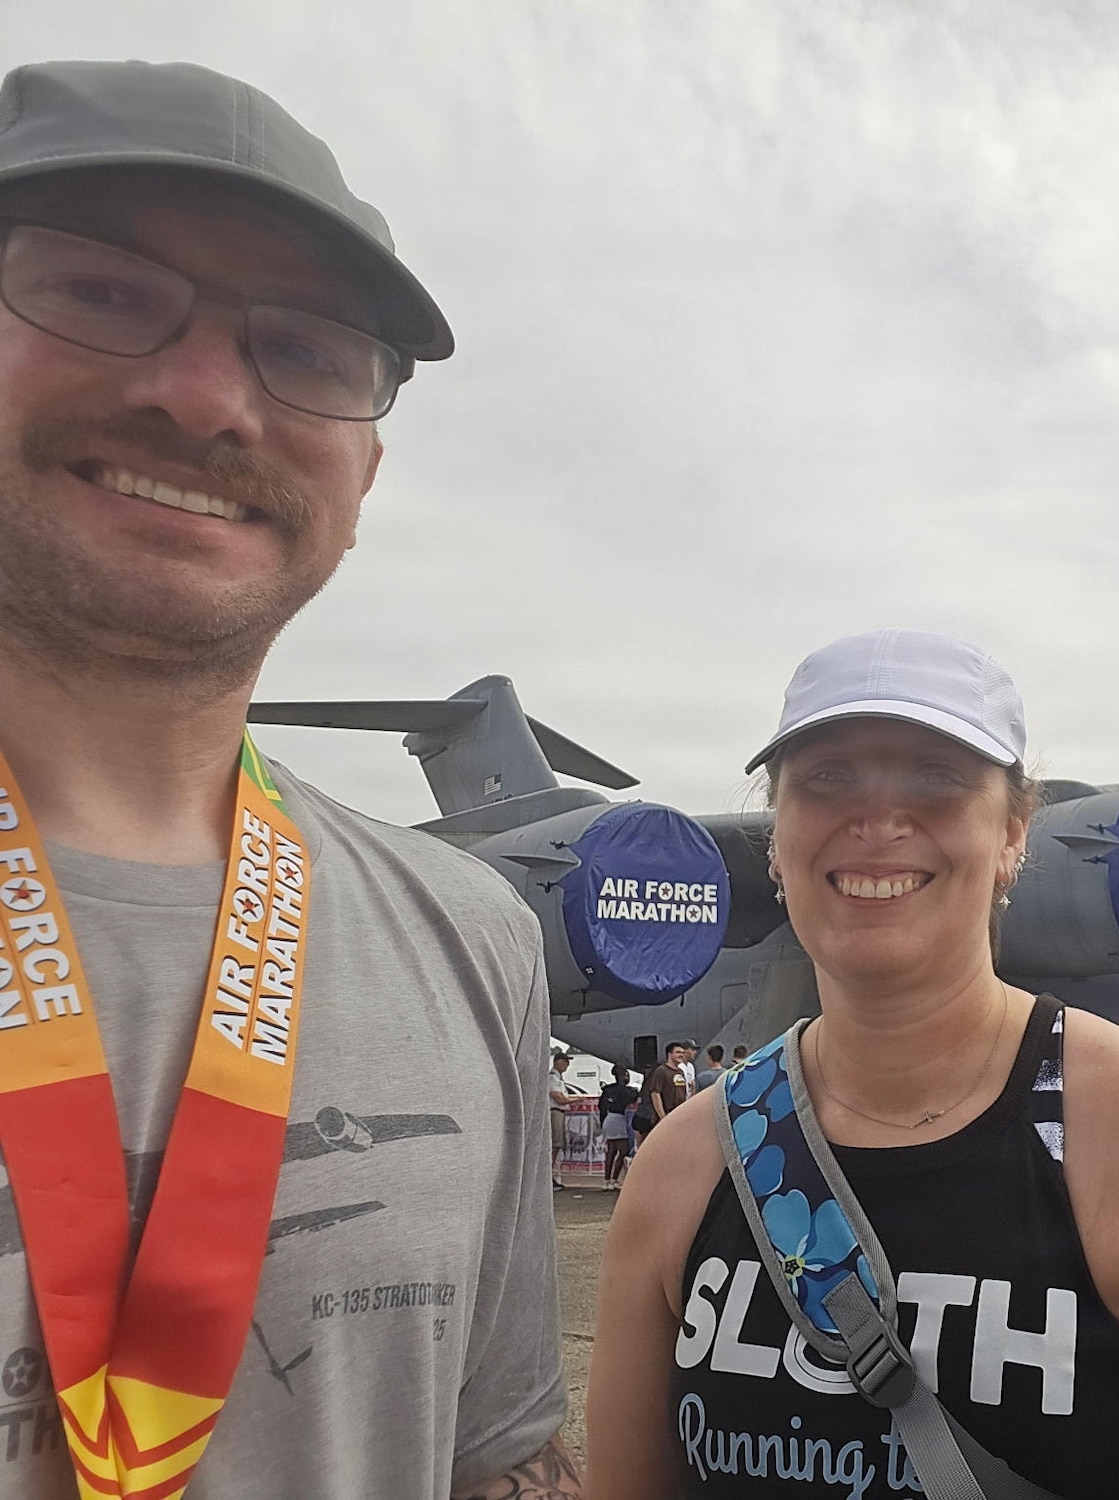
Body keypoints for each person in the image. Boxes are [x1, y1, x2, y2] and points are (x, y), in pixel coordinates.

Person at [0, 59, 576, 1498]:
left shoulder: (471, 936)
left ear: (365, 477)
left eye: (307, 349)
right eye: (102, 291)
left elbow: (497, 1455)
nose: (205, 401)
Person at [589, 631, 1119, 1497]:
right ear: (776, 839)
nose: (877, 821)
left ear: (1014, 831)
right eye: (826, 777)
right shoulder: (684, 1168)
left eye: (936, 777)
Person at [599, 1066, 638, 1190]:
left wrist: (602, 1123)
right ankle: (614, 1179)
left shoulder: (608, 1089)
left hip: (608, 1119)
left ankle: (607, 1180)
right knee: (623, 1150)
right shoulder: (627, 1090)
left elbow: (601, 1106)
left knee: (611, 1150)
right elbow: (634, 1096)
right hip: (618, 1119)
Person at [550, 1049, 576, 1191]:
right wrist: (579, 1098)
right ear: (558, 1063)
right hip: (555, 1112)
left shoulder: (558, 1078)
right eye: (565, 1063)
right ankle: (549, 1176)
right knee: (554, 1144)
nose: (567, 1066)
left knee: (557, 1145)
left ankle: (551, 1174)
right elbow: (558, 1098)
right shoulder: (552, 1078)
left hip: (559, 1112)